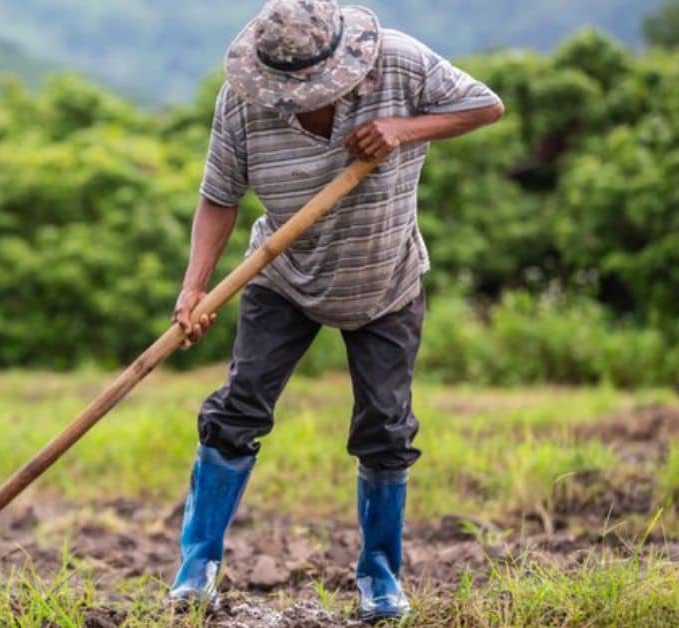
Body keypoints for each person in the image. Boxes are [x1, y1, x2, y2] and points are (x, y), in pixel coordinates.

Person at [169, 0, 504, 622]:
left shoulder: (400, 62)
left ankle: (380, 578)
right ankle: (196, 570)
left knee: (385, 427)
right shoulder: (242, 101)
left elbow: (486, 105)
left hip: (386, 278)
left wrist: (404, 130)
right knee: (237, 411)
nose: (295, 98)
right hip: (283, 276)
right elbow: (219, 197)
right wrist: (194, 289)